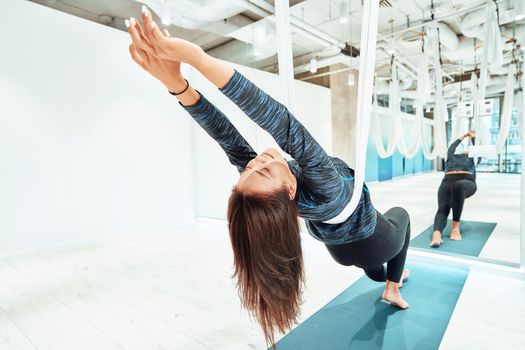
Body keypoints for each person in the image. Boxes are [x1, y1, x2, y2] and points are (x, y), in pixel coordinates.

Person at [125, 7, 411, 346]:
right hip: (373, 238)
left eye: (249, 169)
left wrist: (177, 85)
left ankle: (384, 277)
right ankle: (391, 287)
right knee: (402, 220)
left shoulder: (272, 193)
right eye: (263, 169)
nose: (257, 160)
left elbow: (226, 137)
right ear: (290, 188)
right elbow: (283, 125)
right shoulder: (325, 190)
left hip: (340, 251)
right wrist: (198, 58)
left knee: (372, 268)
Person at [430, 131, 479, 247]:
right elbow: (451, 148)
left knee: (458, 186)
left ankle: (455, 227)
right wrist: (462, 137)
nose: (465, 151)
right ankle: (436, 235)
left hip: (467, 181)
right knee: (442, 208)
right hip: (447, 180)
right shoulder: (451, 156)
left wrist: (473, 137)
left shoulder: (473, 158)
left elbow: (476, 149)